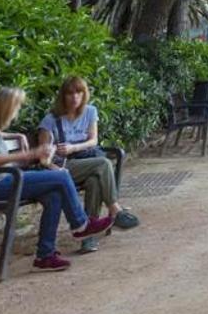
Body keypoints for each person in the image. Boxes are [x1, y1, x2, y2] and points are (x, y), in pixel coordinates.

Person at [0, 85, 112, 272]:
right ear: (6, 108)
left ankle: (45, 255)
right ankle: (81, 225)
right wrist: (28, 154)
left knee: (54, 195)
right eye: (16, 108)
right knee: (60, 176)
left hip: (5, 179)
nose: (17, 113)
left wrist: (16, 135)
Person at [36, 76, 138, 251]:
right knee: (104, 164)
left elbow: (93, 141)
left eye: (79, 92)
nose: (75, 97)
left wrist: (72, 147)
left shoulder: (90, 111)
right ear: (63, 96)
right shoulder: (51, 120)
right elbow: (43, 158)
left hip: (85, 161)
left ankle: (88, 237)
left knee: (95, 181)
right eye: (70, 93)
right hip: (63, 168)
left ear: (84, 94)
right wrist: (58, 169)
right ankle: (115, 210)